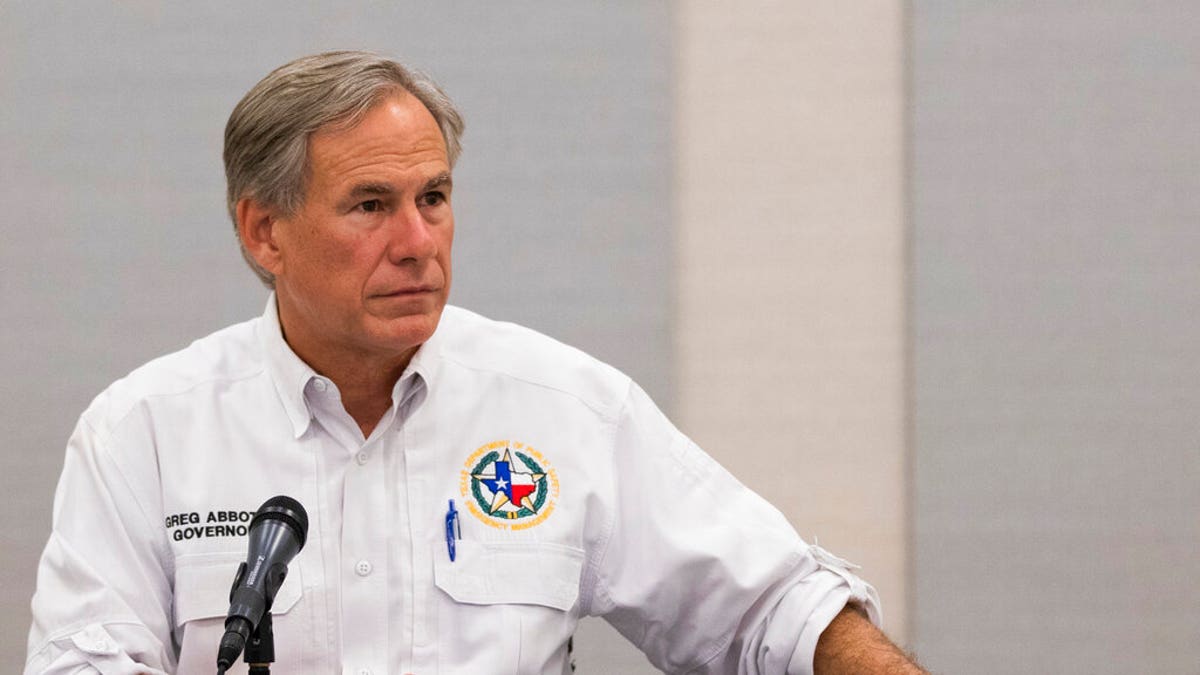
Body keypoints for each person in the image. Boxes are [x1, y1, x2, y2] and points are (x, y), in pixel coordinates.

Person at [26, 51, 924, 674]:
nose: (418, 242)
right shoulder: (145, 431)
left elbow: (771, 611)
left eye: (435, 197)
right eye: (371, 204)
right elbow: (86, 657)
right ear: (265, 231)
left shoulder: (563, 407)